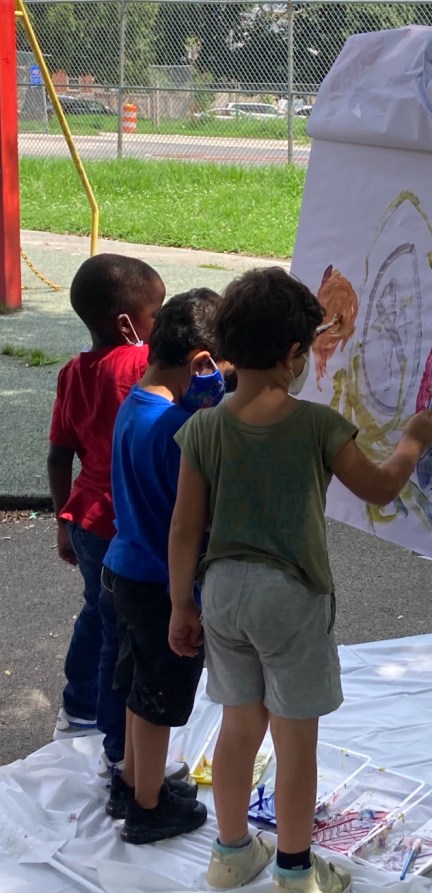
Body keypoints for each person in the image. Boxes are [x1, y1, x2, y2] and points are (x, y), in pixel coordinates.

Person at [167, 267, 432, 892]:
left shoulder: (203, 427)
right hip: (290, 595)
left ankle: (232, 852)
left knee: (238, 728)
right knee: (295, 743)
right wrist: (412, 442)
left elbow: (184, 530)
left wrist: (182, 604)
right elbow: (377, 487)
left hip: (224, 591)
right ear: (294, 353)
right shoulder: (316, 424)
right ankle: (294, 869)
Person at [102, 288, 231, 844]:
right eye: (228, 363)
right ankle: (148, 810)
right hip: (162, 581)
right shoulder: (182, 429)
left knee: (137, 686)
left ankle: (133, 781)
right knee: (158, 701)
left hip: (125, 565)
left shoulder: (138, 402)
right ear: (203, 361)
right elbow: (197, 515)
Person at [47, 253, 166, 778]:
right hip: (126, 521)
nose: (159, 326)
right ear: (127, 324)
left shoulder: (72, 372)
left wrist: (61, 521)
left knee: (97, 611)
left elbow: (58, 454)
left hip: (85, 517)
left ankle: (76, 707)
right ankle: (112, 727)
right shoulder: (139, 366)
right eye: (156, 315)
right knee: (123, 627)